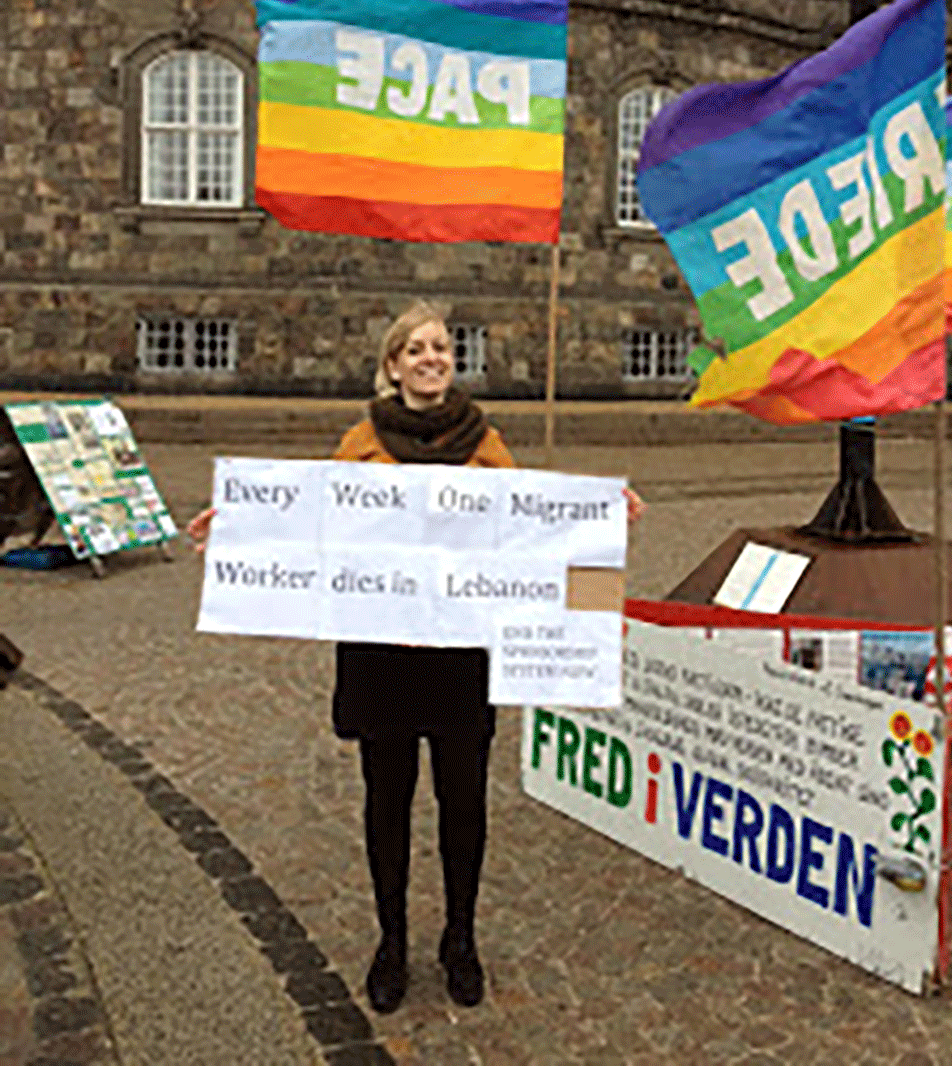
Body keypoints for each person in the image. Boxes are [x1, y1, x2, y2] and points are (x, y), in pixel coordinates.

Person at [189, 300, 645, 1016]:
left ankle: (459, 938)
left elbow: (530, 539)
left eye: (442, 346)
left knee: (463, 803)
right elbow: (311, 528)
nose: (432, 357)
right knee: (388, 802)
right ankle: (392, 939)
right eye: (417, 348)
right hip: (383, 657)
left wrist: (600, 521)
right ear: (393, 364)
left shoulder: (486, 443)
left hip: (460, 656)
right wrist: (238, 530)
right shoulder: (360, 442)